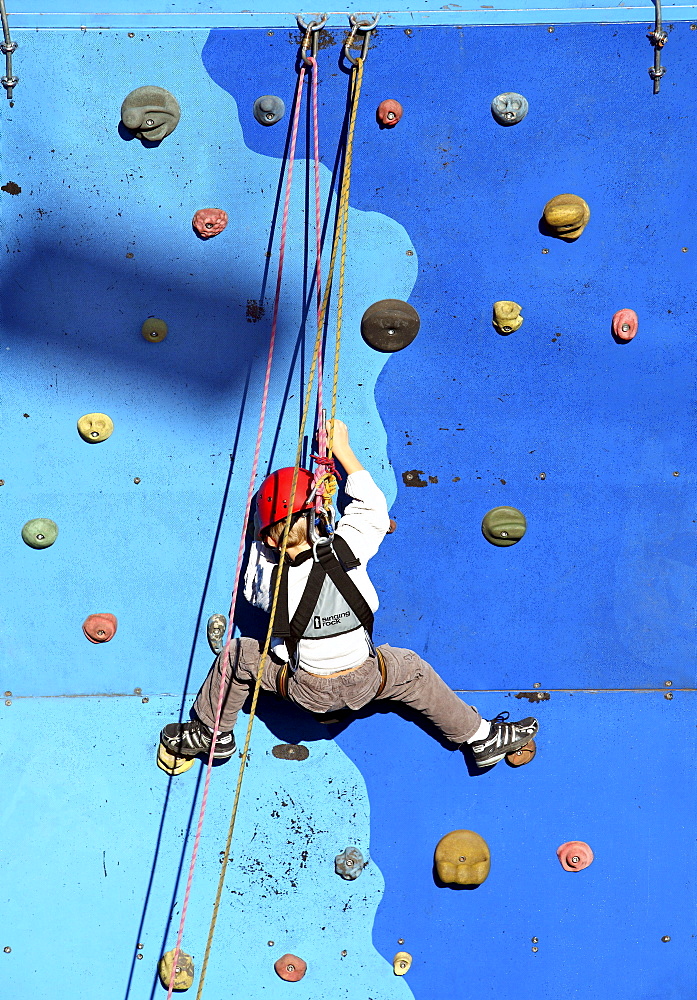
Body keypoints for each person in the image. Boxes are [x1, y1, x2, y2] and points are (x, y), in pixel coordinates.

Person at [160, 421, 538, 769]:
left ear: (269, 538)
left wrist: (267, 536)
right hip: (367, 678)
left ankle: (213, 734)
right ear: (319, 519)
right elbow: (372, 509)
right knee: (411, 669)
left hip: (304, 688)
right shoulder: (346, 548)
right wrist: (341, 450)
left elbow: (259, 568)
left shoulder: (266, 577)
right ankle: (481, 737)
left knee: (239, 655)